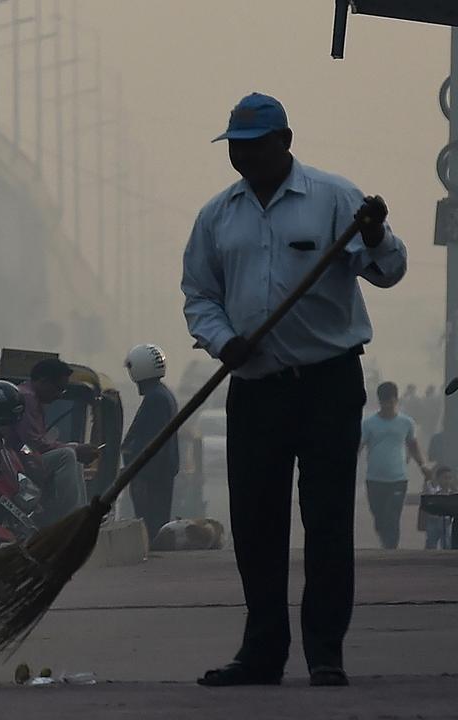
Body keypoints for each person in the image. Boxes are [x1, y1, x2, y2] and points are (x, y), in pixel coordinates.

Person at [182, 93, 406, 688]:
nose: (243, 158)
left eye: (254, 146)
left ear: (284, 141)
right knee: (256, 524)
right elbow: (199, 295)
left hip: (328, 381)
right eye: (235, 148)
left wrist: (376, 234)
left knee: (327, 519)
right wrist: (223, 340)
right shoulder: (217, 216)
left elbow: (389, 271)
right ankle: (262, 653)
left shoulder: (334, 199)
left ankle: (326, 651)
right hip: (256, 387)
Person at [7, 358, 98, 522]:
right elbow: (35, 444)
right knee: (67, 455)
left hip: (23, 458)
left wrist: (75, 448)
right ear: (43, 381)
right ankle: (71, 517)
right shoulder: (27, 398)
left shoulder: (31, 397)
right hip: (17, 461)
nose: (59, 395)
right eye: (58, 389)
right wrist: (75, 449)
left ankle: (81, 511)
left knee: (73, 455)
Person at [120, 344, 180, 542]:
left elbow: (151, 441)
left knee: (150, 524)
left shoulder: (156, 399)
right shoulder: (162, 395)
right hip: (157, 472)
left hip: (151, 474)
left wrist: (140, 472)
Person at [361, 382, 427, 550]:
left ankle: (391, 549)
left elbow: (413, 446)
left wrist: (423, 466)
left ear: (396, 400)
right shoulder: (368, 424)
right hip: (374, 479)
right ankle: (386, 540)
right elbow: (359, 446)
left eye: (391, 402)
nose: (388, 406)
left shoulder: (406, 422)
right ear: (380, 402)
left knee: (392, 515)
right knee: (379, 517)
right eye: (385, 402)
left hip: (398, 478)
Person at [420, 465, 454, 550]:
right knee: (431, 543)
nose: (447, 481)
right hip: (433, 521)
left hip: (447, 522)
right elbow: (426, 488)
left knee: (447, 543)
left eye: (449, 478)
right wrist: (427, 477)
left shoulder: (453, 494)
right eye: (445, 478)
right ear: (438, 479)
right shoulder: (433, 491)